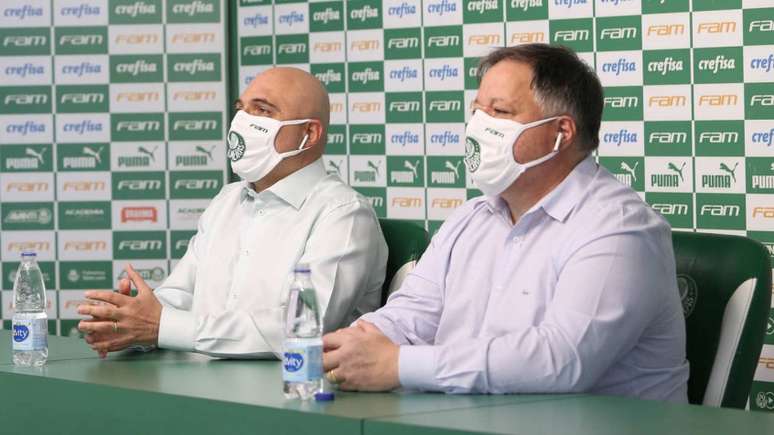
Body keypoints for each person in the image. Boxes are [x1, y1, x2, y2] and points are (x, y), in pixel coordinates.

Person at [322, 44, 690, 402]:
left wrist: (399, 365)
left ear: (561, 133)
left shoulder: (620, 228)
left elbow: (563, 360)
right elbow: (412, 315)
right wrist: (352, 348)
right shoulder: (471, 218)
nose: (479, 126)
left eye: (499, 111)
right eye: (477, 110)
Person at [77, 67, 388, 358]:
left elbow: (301, 326)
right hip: (198, 387)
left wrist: (163, 327)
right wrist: (128, 320)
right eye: (242, 107)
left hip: (293, 394)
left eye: (263, 110)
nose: (243, 119)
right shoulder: (227, 200)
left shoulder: (344, 215)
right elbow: (181, 294)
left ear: (309, 133)